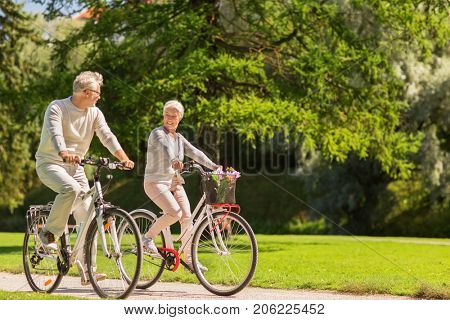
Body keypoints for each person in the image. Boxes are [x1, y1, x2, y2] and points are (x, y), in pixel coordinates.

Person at [35, 71, 134, 285]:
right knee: (69, 189)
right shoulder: (57, 107)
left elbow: (107, 135)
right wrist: (63, 152)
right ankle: (49, 234)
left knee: (89, 215)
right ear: (87, 92)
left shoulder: (95, 113)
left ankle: (88, 270)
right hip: (50, 163)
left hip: (76, 167)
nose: (100, 96)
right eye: (98, 92)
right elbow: (56, 133)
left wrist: (123, 157)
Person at [143, 100, 221, 271]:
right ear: (163, 116)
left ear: (180, 119)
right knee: (174, 213)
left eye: (174, 116)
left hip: (173, 182)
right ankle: (147, 239)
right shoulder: (157, 134)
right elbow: (165, 148)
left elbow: (194, 152)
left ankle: (190, 260)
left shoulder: (179, 138)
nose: (170, 119)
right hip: (155, 182)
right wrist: (174, 160)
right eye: (167, 115)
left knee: (187, 217)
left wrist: (214, 167)